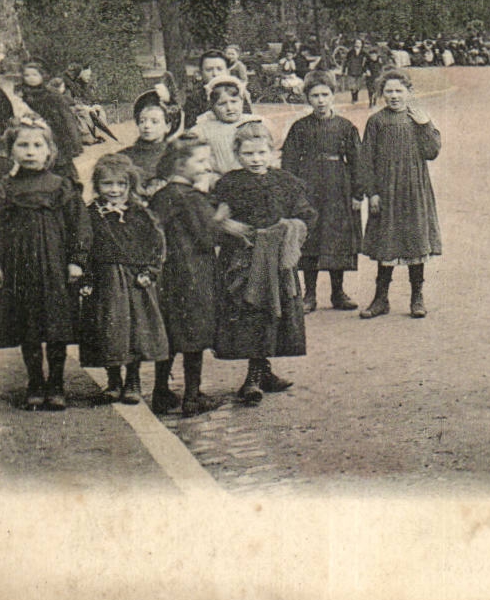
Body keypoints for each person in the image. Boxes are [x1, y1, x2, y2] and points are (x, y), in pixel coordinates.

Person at [212, 123, 315, 405]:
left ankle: (260, 373)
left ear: (272, 152)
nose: (256, 159)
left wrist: (291, 228)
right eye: (248, 154)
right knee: (251, 312)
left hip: (278, 261)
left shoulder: (287, 182)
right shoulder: (229, 184)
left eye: (261, 152)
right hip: (243, 261)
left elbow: (307, 215)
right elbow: (215, 217)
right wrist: (227, 225)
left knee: (274, 313)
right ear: (237, 154)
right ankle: (256, 375)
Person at [0, 118, 90, 411]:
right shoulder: (5, 188)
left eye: (38, 145)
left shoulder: (61, 186)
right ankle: (35, 382)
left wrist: (77, 260)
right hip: (20, 267)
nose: (30, 151)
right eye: (22, 145)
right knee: (29, 326)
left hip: (55, 265)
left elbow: (80, 226)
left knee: (56, 326)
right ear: (11, 151)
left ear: (50, 151)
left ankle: (57, 384)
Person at [81, 155, 171, 406]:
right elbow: (83, 245)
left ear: (130, 186)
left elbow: (157, 245)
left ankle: (133, 381)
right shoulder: (90, 214)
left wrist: (150, 272)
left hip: (134, 282)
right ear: (97, 185)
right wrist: (86, 278)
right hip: (104, 282)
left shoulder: (140, 214)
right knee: (108, 330)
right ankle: (113, 381)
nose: (114, 190)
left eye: (121, 184)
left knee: (135, 331)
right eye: (107, 184)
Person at [358, 69, 442, 319]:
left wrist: (425, 124)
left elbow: (432, 151)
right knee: (387, 242)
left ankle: (417, 297)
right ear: (381, 94)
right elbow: (366, 161)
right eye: (389, 91)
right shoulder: (376, 122)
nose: (394, 96)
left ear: (409, 92)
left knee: (415, 240)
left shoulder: (417, 118)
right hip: (386, 190)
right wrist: (372, 193)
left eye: (399, 91)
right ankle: (380, 298)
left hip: (414, 188)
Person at [150, 137, 224, 415]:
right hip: (194, 273)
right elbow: (208, 237)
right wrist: (217, 211)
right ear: (181, 164)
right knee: (194, 333)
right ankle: (193, 396)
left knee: (170, 333)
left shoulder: (162, 195)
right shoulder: (192, 197)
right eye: (201, 161)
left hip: (168, 274)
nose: (207, 167)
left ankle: (161, 392)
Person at [281, 71, 363, 312]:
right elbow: (289, 162)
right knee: (311, 238)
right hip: (309, 187)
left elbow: (358, 161)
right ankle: (310, 294)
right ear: (307, 98)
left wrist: (358, 193)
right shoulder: (299, 128)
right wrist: (292, 194)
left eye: (325, 95)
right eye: (314, 95)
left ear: (333, 96)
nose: (320, 100)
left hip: (338, 187)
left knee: (338, 239)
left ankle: (338, 293)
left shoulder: (345, 127)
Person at [15, 61, 83, 185]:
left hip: (57, 136)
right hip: (32, 135)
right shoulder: (21, 95)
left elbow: (67, 116)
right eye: (27, 75)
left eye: (34, 75)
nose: (30, 78)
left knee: (61, 171)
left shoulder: (51, 94)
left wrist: (75, 141)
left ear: (42, 76)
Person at [112, 88, 179, 200]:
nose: (147, 126)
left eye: (154, 121)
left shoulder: (175, 155)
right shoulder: (123, 156)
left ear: (168, 126)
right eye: (142, 120)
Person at [193, 76, 263, 176]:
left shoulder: (253, 123)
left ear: (242, 101)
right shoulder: (203, 129)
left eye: (234, 102)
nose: (229, 108)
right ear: (212, 107)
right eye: (222, 104)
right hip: (218, 179)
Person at [341, 39, 370, 104]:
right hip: (351, 71)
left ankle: (355, 97)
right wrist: (344, 70)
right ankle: (354, 98)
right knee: (352, 86)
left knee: (358, 86)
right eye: (356, 43)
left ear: (361, 44)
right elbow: (346, 62)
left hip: (360, 71)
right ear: (354, 44)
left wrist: (367, 70)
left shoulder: (364, 53)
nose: (358, 44)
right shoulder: (350, 52)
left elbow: (368, 62)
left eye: (359, 43)